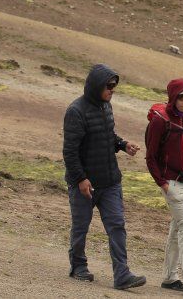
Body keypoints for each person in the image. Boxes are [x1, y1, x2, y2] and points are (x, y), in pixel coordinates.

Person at [62, 63, 146, 290]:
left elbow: (108, 135)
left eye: (114, 86)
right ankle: (78, 266)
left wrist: (123, 144)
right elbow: (70, 152)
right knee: (81, 227)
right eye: (108, 86)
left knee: (117, 225)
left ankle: (122, 275)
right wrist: (80, 179)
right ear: (96, 85)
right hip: (84, 185)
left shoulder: (106, 107)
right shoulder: (75, 111)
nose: (112, 90)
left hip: (110, 182)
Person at [145, 78, 183, 295]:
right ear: (173, 97)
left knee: (178, 227)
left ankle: (170, 278)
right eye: (181, 97)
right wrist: (163, 184)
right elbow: (151, 157)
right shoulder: (160, 121)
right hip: (172, 184)